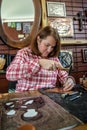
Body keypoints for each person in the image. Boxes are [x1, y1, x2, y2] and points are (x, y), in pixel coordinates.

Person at [6, 26, 75, 92]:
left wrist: (69, 80)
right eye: (47, 45)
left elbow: (64, 77)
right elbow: (9, 74)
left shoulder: (54, 58)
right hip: (26, 98)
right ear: (38, 40)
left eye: (52, 47)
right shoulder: (24, 53)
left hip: (49, 98)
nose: (49, 50)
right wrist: (39, 62)